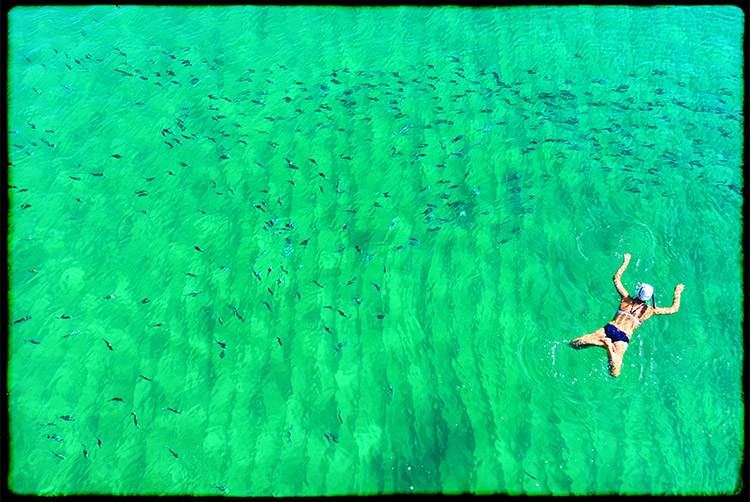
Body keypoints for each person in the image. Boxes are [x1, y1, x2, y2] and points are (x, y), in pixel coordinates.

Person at [570, 253, 684, 377]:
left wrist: (626, 262)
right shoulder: (650, 311)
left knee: (575, 344)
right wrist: (677, 292)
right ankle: (608, 346)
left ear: (638, 291)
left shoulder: (626, 299)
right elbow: (674, 309)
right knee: (614, 372)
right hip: (623, 337)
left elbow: (616, 278)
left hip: (610, 329)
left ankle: (600, 343)